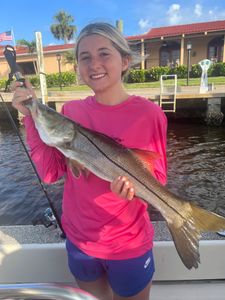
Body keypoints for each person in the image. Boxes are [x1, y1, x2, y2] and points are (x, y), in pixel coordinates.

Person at [12, 22, 167, 300]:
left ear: (125, 61)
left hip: (128, 244)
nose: (94, 63)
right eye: (85, 57)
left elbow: (158, 180)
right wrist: (30, 116)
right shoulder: (71, 111)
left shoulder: (151, 114)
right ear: (79, 67)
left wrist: (133, 195)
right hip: (80, 241)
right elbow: (49, 173)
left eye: (104, 53)